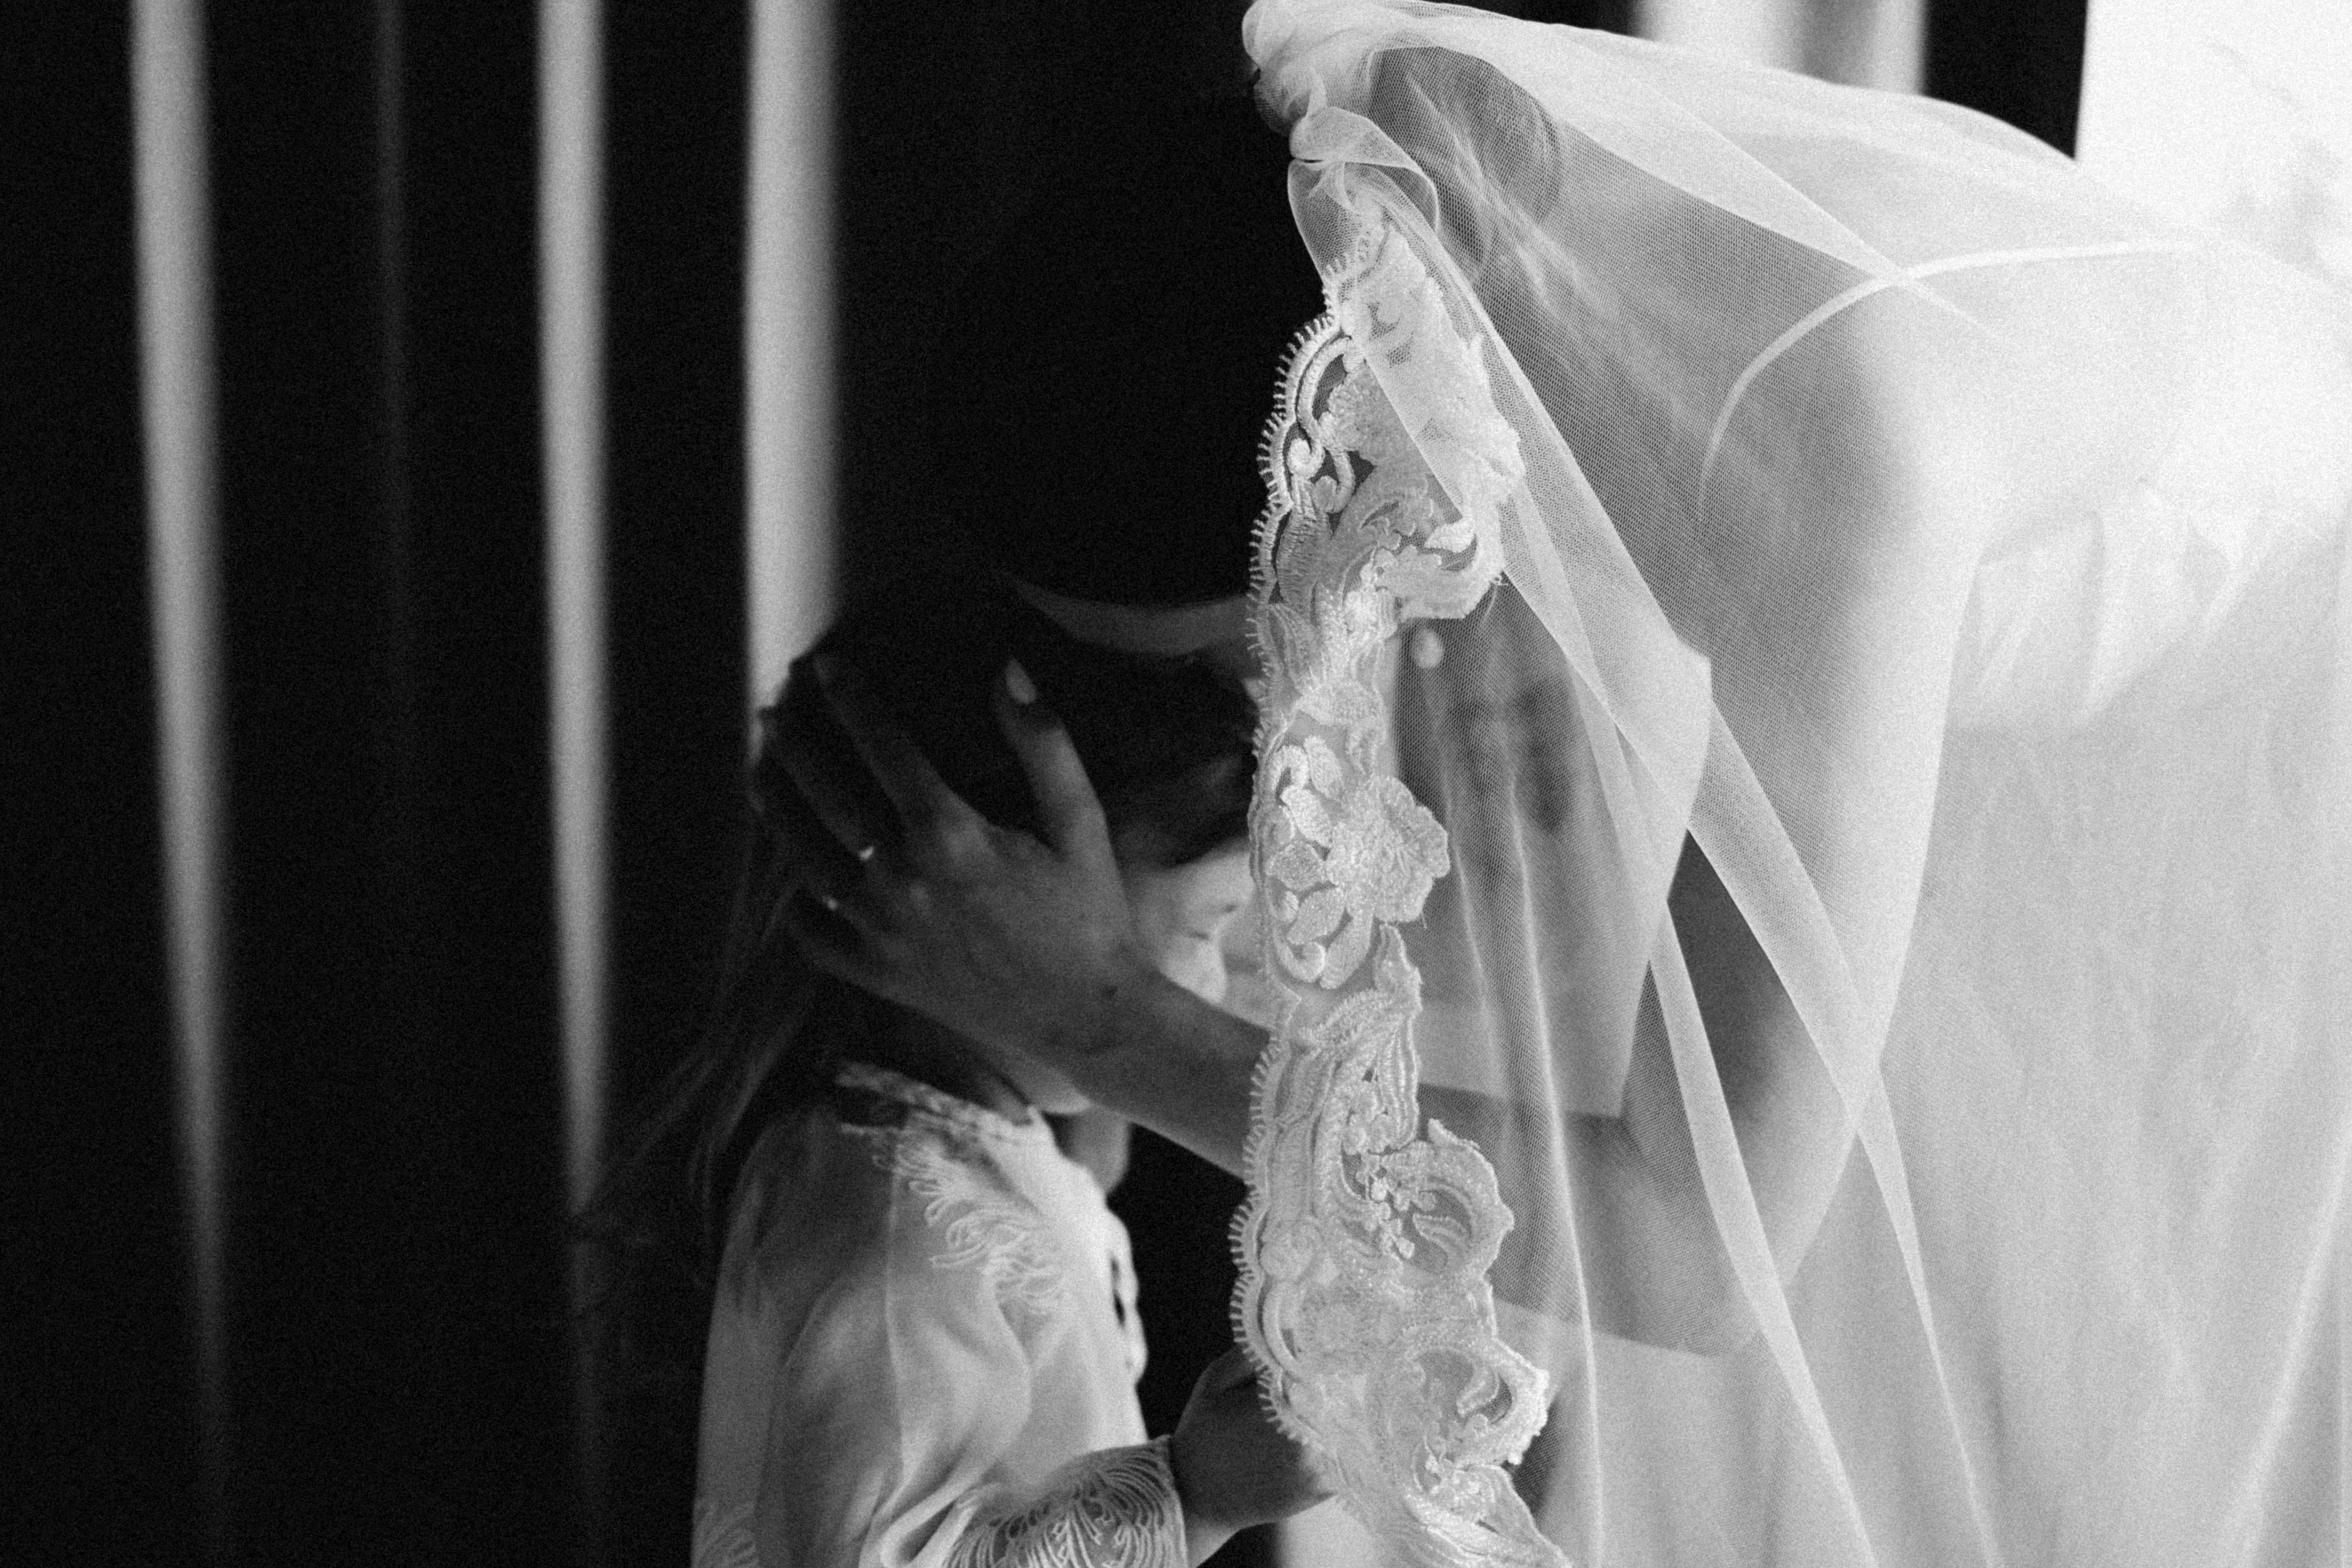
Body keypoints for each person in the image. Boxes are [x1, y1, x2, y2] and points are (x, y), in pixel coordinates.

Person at [776, 2, 2352, 1564]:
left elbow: (1697, 1243)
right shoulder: (1468, 250)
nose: (1258, 717)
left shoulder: (1831, 449)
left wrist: (1093, 1016)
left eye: (1228, 649)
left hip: (2264, 847)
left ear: (1329, 458)